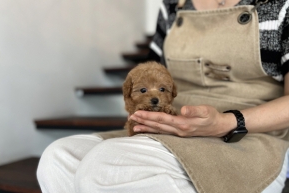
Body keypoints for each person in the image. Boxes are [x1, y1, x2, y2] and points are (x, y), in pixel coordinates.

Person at [37, 0, 289, 192]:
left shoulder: (279, 6)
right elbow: (153, 74)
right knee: (58, 157)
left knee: (105, 165)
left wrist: (223, 122)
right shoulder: (172, 6)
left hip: (247, 134)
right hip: (172, 123)